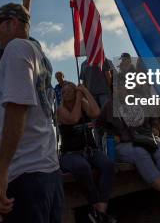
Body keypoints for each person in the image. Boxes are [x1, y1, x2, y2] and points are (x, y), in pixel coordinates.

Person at [0, 3, 62, 222]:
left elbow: (17, 110)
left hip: (25, 175)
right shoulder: (38, 55)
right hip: (45, 169)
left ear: (12, 23)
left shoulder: (17, 48)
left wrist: (0, 175)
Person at [96, 83, 160, 217]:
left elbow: (153, 118)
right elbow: (99, 126)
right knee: (139, 152)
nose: (121, 89)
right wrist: (112, 135)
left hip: (145, 138)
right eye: (117, 87)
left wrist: (154, 127)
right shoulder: (108, 106)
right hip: (123, 144)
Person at [58, 81, 115, 223]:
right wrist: (78, 98)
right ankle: (96, 207)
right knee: (82, 167)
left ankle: (100, 211)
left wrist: (85, 91)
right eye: (64, 91)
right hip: (70, 154)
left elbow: (96, 113)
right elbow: (73, 119)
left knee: (108, 164)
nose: (67, 93)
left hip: (90, 150)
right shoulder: (60, 110)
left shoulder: (82, 102)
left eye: (70, 90)